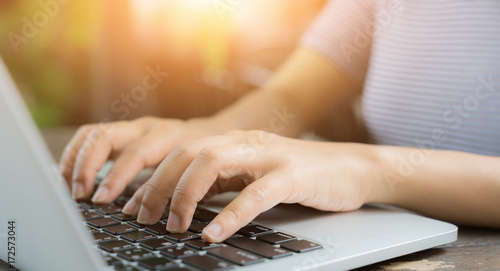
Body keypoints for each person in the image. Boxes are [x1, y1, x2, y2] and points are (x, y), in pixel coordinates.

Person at [60, 0, 500, 243]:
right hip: (381, 226)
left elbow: (367, 167)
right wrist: (204, 130)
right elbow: (291, 95)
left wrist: (367, 169)